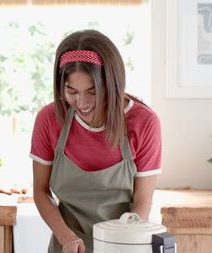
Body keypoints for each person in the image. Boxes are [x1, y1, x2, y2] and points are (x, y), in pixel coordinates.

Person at [30, 30, 161, 253]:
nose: (81, 102)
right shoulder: (49, 119)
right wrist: (67, 238)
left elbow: (142, 201)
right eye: (71, 91)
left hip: (124, 243)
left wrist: (118, 244)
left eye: (92, 91)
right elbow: (41, 191)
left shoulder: (143, 122)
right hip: (68, 244)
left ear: (112, 83)